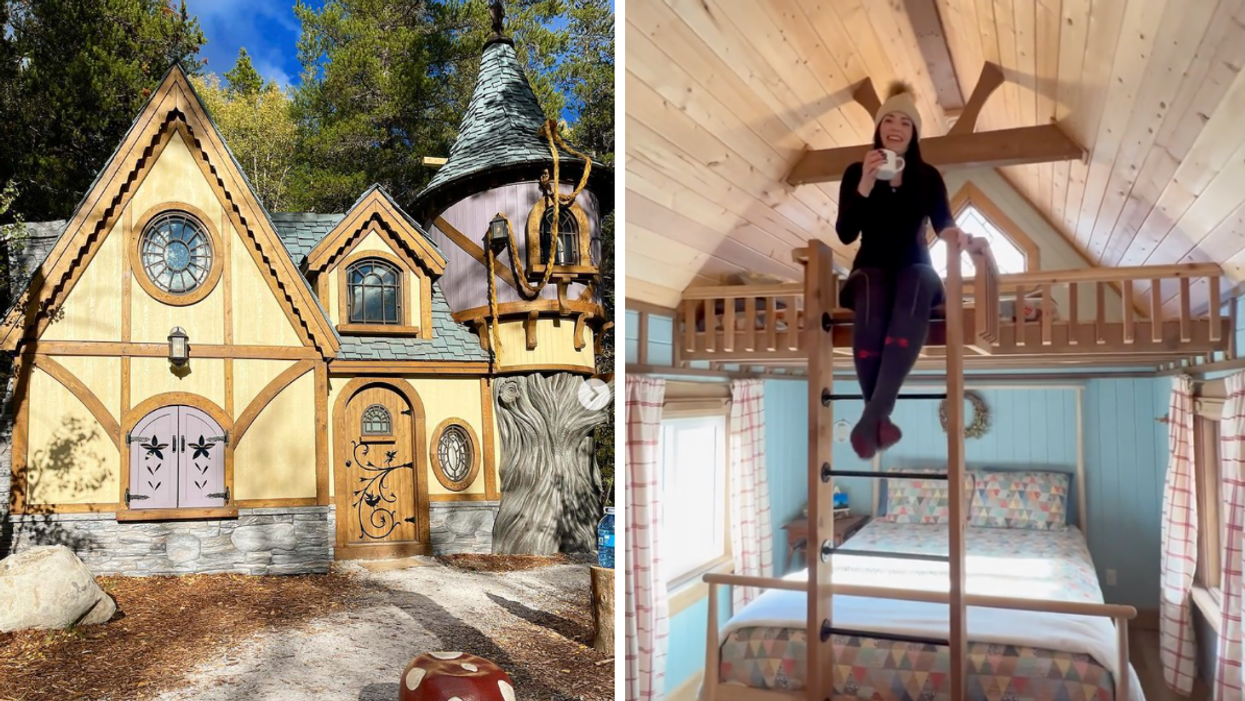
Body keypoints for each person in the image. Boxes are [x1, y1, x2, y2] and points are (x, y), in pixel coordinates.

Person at [834, 81, 970, 460]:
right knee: (875, 282)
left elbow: (944, 222)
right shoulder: (854, 172)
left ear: (914, 133)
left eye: (905, 123)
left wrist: (958, 235)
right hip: (868, 272)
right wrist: (864, 182)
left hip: (916, 269)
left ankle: (873, 416)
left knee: (917, 277)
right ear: (878, 129)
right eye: (889, 120)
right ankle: (878, 417)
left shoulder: (927, 177)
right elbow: (846, 234)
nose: (896, 127)